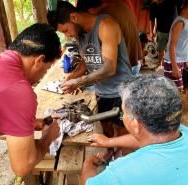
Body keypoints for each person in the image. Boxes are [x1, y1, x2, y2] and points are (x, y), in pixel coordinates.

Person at [0, 23, 61, 185]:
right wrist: (47, 139)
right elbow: (22, 167)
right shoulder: (18, 89)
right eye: (47, 69)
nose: (43, 75)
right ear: (39, 60)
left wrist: (26, 124)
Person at [81, 74, 188, 185]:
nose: (122, 116)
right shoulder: (183, 131)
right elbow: (149, 138)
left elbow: (88, 183)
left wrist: (88, 164)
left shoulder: (119, 175)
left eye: (123, 113)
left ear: (136, 124)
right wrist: (108, 142)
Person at [47, 1, 132, 138]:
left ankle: (123, 157)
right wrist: (73, 76)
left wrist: (79, 82)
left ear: (74, 17)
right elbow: (86, 61)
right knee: (105, 127)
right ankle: (109, 153)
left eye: (65, 30)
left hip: (121, 93)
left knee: (123, 129)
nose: (67, 35)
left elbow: (110, 68)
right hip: (102, 92)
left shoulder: (106, 26)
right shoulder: (79, 34)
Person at [76, 0, 143, 75]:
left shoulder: (105, 17)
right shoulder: (120, 4)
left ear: (91, 11)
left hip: (124, 69)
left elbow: (107, 65)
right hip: (133, 60)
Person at [164, 0, 188, 91]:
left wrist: (185, 60)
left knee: (175, 91)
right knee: (175, 92)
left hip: (178, 60)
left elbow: (183, 43)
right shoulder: (180, 22)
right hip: (173, 62)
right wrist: (175, 67)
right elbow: (172, 46)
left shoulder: (186, 20)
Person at [149, 0, 179, 71]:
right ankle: (160, 64)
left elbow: (177, 15)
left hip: (173, 31)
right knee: (160, 49)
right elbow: (152, 19)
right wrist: (152, 32)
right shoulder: (153, 5)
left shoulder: (172, 2)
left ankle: (174, 65)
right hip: (161, 31)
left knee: (173, 49)